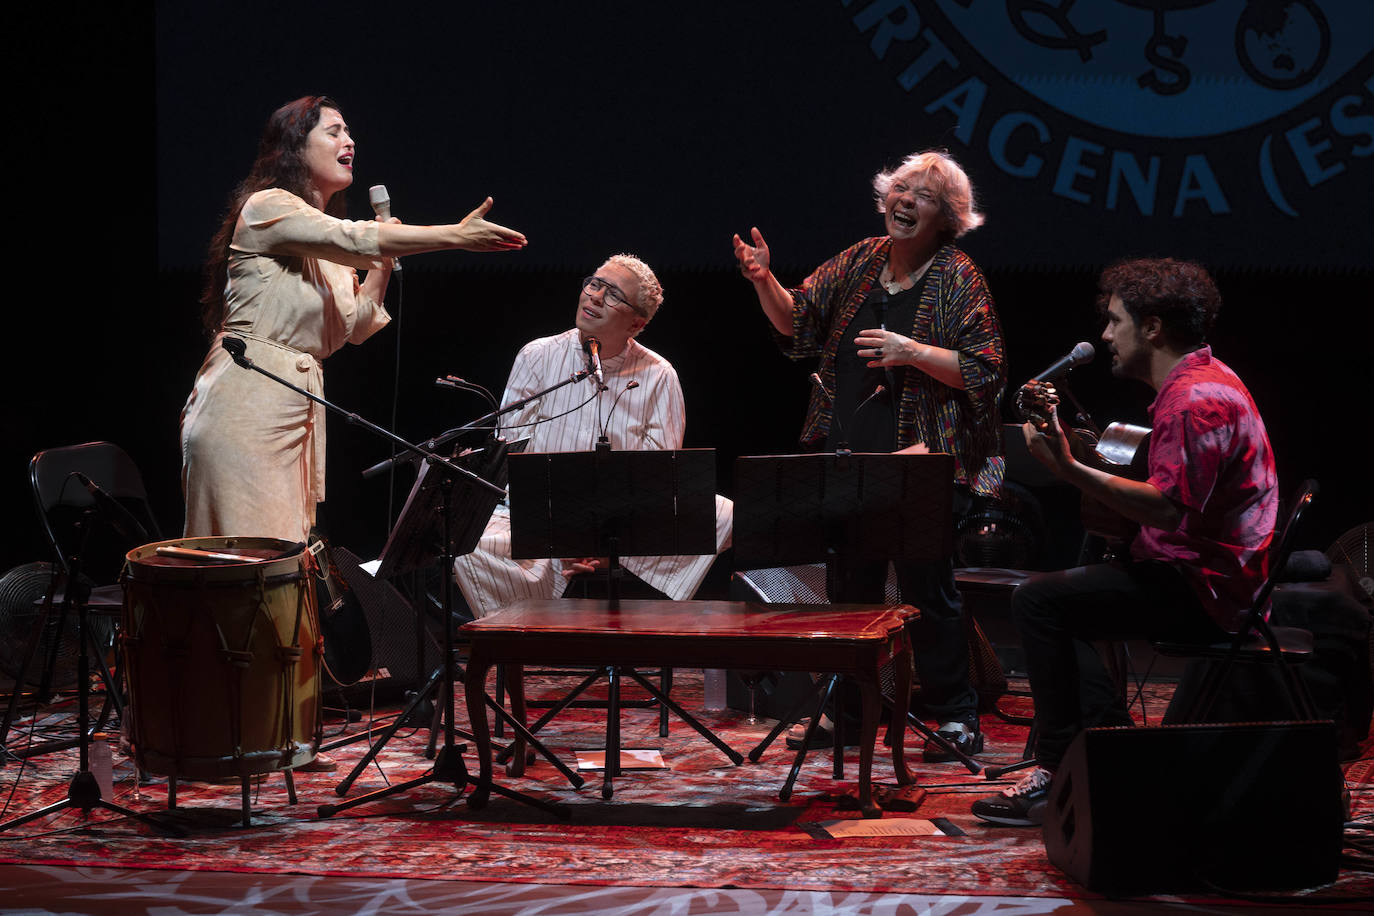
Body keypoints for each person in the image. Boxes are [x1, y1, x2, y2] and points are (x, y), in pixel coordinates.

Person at [971, 257, 1279, 826]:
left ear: (1153, 327)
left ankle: (1067, 765)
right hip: (1206, 574)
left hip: (1208, 588)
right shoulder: (1204, 379)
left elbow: (1169, 508)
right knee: (1070, 589)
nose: (1106, 336)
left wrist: (1069, 469)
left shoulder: (1194, 401)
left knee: (1038, 603)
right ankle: (1110, 754)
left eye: (1115, 322)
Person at [732, 150, 1005, 760]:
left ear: (947, 217)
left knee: (925, 589)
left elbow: (985, 372)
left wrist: (913, 351)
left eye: (924, 196)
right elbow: (797, 324)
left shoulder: (958, 276)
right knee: (850, 592)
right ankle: (854, 716)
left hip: (928, 460)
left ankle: (955, 716)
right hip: (851, 457)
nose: (905, 201)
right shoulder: (862, 258)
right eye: (901, 188)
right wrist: (762, 280)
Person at [182, 95, 526, 543]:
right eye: (334, 131)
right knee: (245, 559)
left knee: (287, 553)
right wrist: (456, 236)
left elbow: (360, 324)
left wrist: (384, 256)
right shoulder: (268, 206)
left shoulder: (326, 244)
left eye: (348, 131)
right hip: (246, 397)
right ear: (294, 148)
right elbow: (352, 238)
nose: (351, 140)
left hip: (294, 402)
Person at [453, 254, 733, 616]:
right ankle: (525, 637)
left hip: (625, 527)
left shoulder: (659, 375)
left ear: (636, 324)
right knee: (464, 542)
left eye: (614, 294)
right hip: (539, 517)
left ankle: (636, 620)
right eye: (595, 283)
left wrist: (604, 545)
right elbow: (510, 457)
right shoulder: (537, 356)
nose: (595, 296)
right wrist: (558, 534)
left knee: (721, 513)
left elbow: (661, 479)